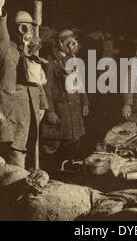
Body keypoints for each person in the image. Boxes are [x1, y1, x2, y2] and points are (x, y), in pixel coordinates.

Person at [0, 0, 48, 169]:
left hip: (29, 111)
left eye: (29, 26)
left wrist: (43, 104)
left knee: (27, 152)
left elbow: (37, 83)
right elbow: (0, 36)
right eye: (21, 26)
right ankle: (12, 190)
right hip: (11, 112)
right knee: (14, 155)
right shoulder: (7, 49)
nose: (26, 31)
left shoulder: (31, 53)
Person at [41, 29, 89, 170]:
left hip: (74, 108)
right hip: (60, 109)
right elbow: (46, 89)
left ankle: (66, 169)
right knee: (54, 142)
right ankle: (49, 171)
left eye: (74, 42)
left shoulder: (73, 60)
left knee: (74, 139)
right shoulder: (50, 62)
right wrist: (49, 111)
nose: (73, 46)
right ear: (60, 44)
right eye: (69, 43)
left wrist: (85, 102)